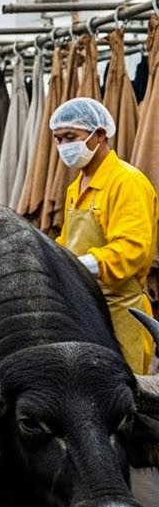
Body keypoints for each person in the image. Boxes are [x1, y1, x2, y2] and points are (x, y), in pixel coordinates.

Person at [52, 97, 158, 374]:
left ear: (99, 134)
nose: (63, 147)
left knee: (127, 393)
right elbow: (68, 241)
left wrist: (80, 265)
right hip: (85, 304)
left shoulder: (127, 182)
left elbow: (133, 248)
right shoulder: (77, 187)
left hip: (122, 311)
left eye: (70, 137)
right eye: (58, 139)